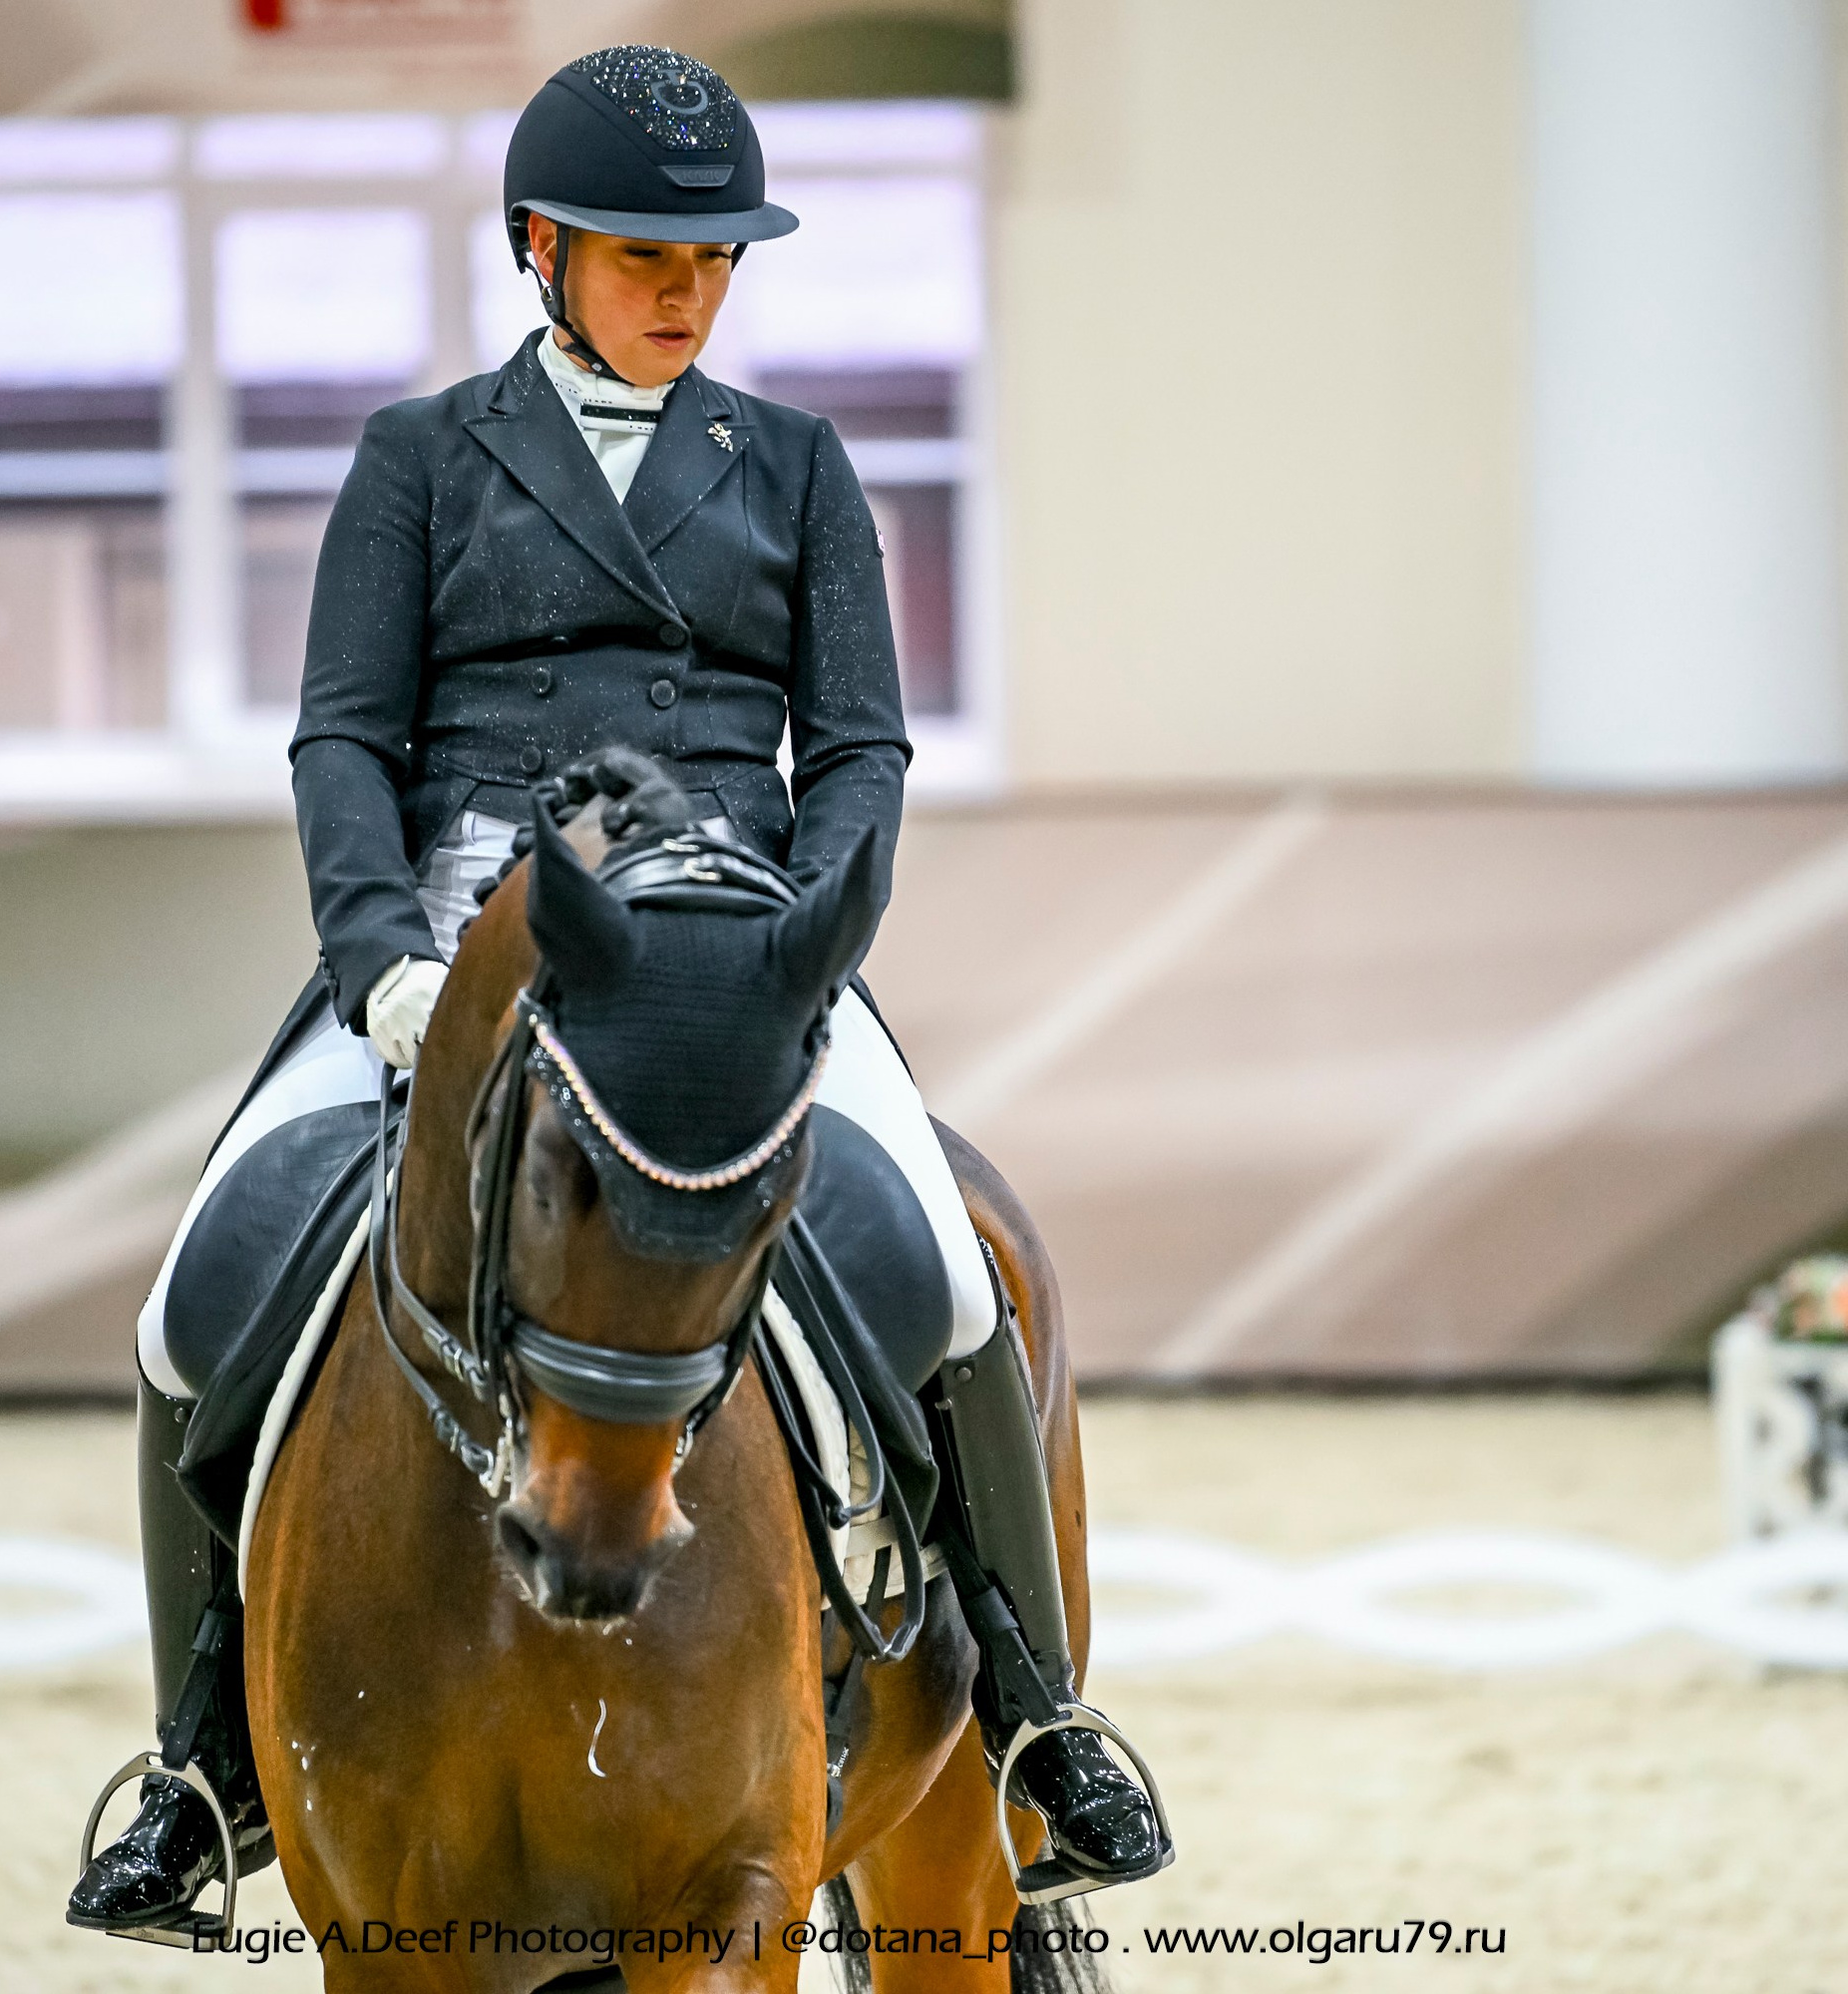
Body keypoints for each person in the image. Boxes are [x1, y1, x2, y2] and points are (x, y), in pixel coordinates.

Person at [69, 46, 1166, 1934]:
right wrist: (386, 968)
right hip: (460, 927)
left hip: (730, 942)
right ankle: (198, 1772)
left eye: (717, 256)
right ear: (543, 246)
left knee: (949, 1270)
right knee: (200, 1293)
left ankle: (1041, 1729)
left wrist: (801, 949)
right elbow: (342, 742)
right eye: (650, 251)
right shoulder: (420, 459)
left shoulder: (800, 467)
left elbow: (866, 758)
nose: (691, 287)